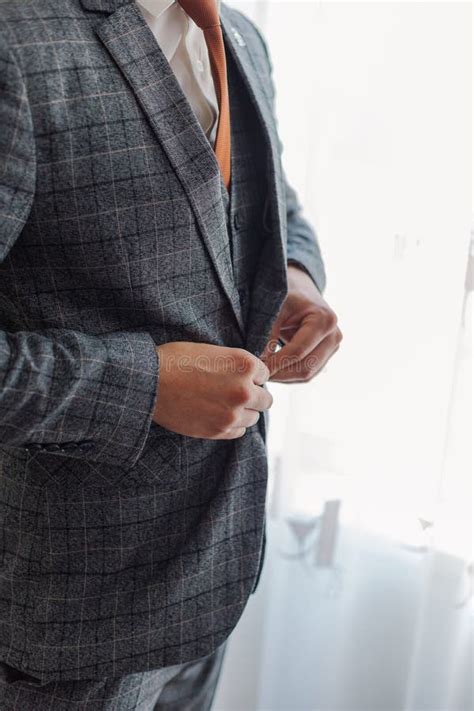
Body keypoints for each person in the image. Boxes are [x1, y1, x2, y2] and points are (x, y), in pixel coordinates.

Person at [0, 0, 342, 707]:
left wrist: (297, 279)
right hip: (67, 625)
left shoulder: (241, 35)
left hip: (213, 584)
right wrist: (146, 385)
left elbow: (272, 201)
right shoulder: (15, 41)